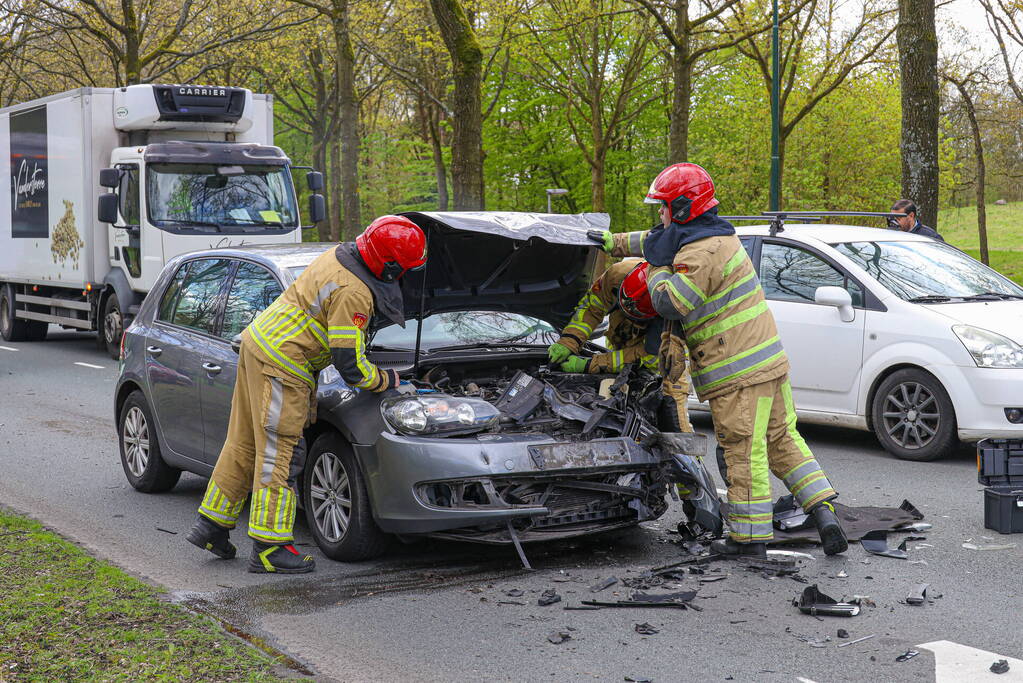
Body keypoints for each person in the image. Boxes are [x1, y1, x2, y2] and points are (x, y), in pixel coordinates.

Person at [593, 163, 848, 557]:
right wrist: (615, 243)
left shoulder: (699, 253)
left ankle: (748, 539)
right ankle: (824, 511)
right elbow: (657, 239)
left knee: (742, 452)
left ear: (680, 208)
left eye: (662, 206)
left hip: (737, 372)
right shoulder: (709, 234)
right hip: (768, 365)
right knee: (782, 439)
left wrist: (657, 269)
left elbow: (671, 301)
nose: (658, 214)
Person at [185, 215, 427, 573]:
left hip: (259, 345)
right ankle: (270, 547)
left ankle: (212, 525)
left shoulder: (340, 256)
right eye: (404, 269)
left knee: (246, 442)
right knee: (282, 453)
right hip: (284, 362)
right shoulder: (354, 291)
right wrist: (388, 381)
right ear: (389, 267)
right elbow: (351, 366)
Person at [548, 259, 691, 432]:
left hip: (666, 362)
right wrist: (568, 342)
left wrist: (590, 364)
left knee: (673, 412)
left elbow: (649, 357)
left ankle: (685, 457)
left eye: (636, 315)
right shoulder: (616, 274)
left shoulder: (669, 308)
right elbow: (591, 308)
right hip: (621, 342)